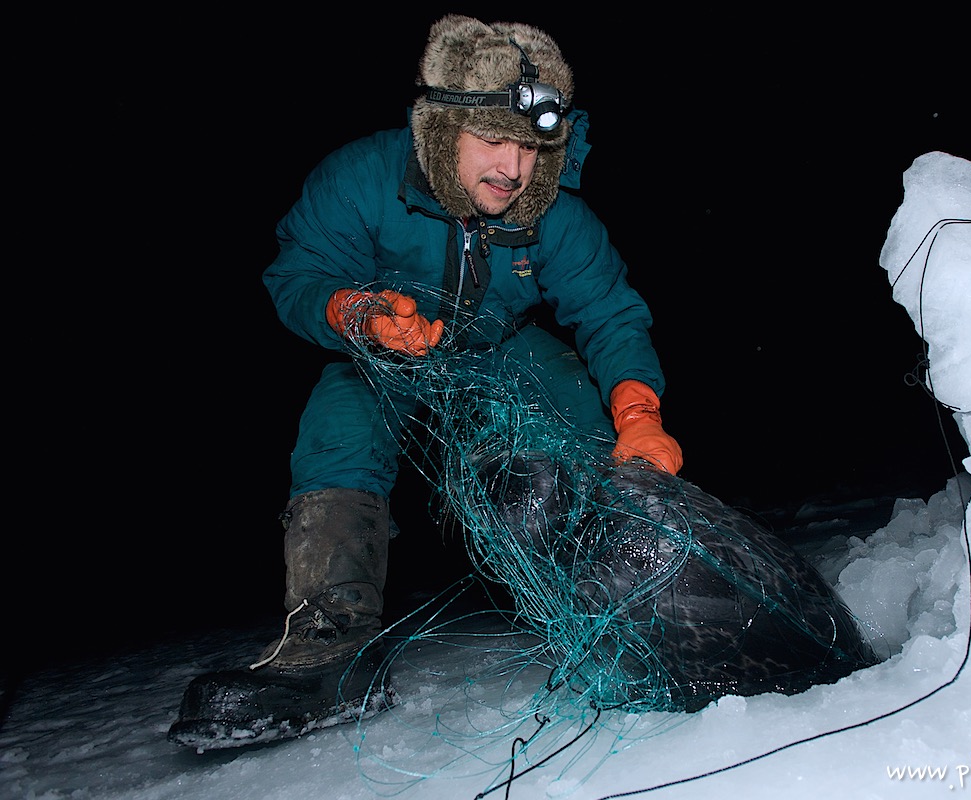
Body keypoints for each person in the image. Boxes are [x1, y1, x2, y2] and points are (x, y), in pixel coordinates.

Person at [168, 14, 682, 750]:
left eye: (534, 149)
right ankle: (331, 646)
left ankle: (644, 597)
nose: (514, 169)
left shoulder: (555, 212)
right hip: (390, 352)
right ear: (443, 131)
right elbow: (295, 273)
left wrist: (639, 408)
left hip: (501, 350)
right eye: (494, 141)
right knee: (337, 425)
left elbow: (608, 312)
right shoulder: (360, 178)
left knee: (589, 418)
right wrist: (351, 311)